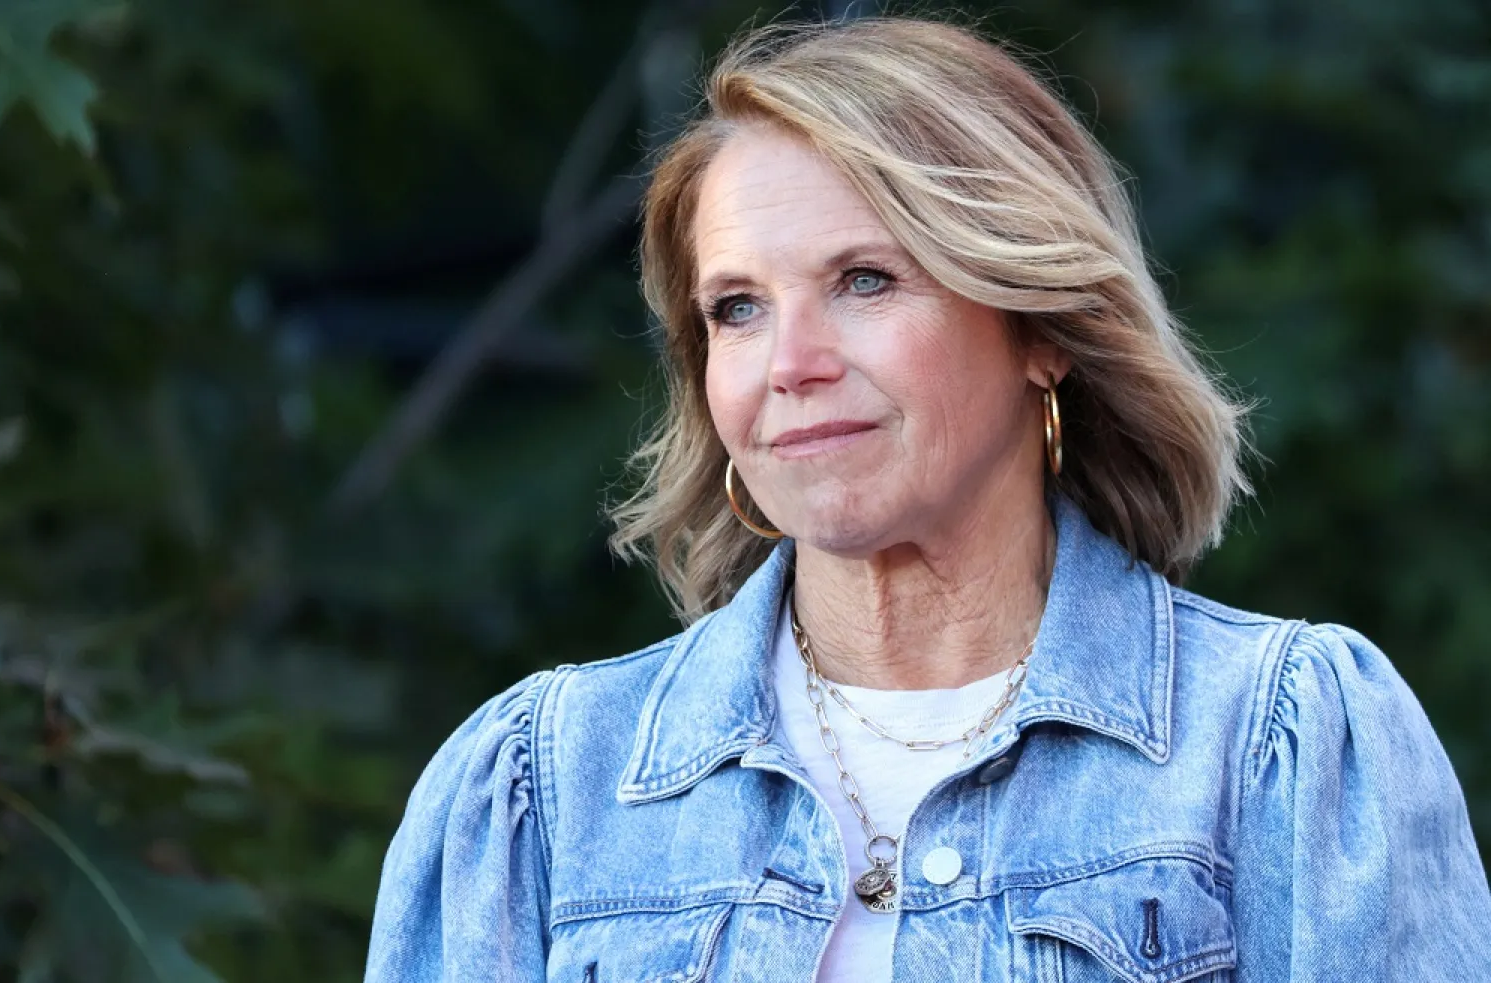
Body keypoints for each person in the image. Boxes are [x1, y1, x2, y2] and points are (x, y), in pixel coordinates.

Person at [364, 17, 1491, 982]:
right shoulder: (538, 787)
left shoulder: (1279, 742)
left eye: (865, 280)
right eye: (738, 308)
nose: (789, 361)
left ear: (1042, 328)